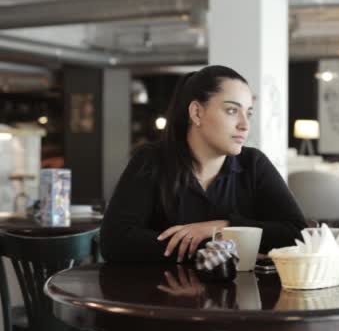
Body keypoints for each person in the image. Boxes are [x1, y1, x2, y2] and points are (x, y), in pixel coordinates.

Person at [101, 65, 306, 263]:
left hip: (240, 297)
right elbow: (115, 242)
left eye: (249, 113)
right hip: (165, 297)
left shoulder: (254, 164)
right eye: (232, 111)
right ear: (197, 113)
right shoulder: (151, 160)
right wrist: (218, 250)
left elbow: (298, 235)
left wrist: (221, 228)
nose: (245, 124)